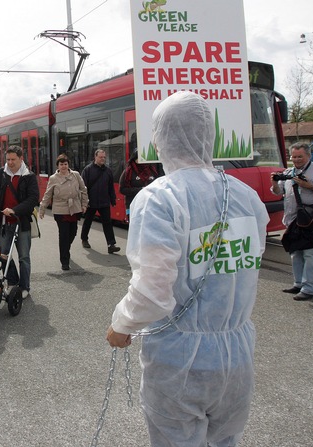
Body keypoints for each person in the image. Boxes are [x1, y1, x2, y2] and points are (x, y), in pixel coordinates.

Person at [106, 91, 269, 447]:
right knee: (225, 440)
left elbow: (153, 287)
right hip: (237, 352)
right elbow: (249, 263)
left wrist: (122, 324)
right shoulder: (246, 196)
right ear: (209, 134)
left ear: (161, 138)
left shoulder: (160, 198)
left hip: (180, 359)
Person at [271, 142, 313, 301]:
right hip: (291, 218)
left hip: (309, 218)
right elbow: (279, 192)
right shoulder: (289, 172)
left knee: (310, 254)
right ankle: (298, 283)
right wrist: (275, 182)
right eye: (294, 156)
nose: (296, 159)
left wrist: (309, 186)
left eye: (300, 157)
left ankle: (309, 288)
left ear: (308, 156)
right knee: (295, 251)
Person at [0, 145, 39, 298]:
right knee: (2, 254)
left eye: (13, 160)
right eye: (7, 159)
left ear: (21, 159)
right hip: (4, 223)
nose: (10, 162)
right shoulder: (2, 174)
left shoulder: (29, 176)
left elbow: (33, 199)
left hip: (21, 223)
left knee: (24, 257)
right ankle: (13, 281)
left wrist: (15, 210)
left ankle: (24, 287)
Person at [38, 154, 88, 271]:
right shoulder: (53, 178)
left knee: (73, 232)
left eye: (65, 164)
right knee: (64, 235)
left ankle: (66, 249)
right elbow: (48, 194)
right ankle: (64, 261)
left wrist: (84, 204)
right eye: (61, 164)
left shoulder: (75, 175)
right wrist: (42, 208)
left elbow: (83, 190)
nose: (64, 166)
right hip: (60, 210)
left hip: (74, 208)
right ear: (58, 166)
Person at [80, 149, 120, 253]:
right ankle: (84, 239)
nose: (103, 159)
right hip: (91, 202)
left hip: (104, 201)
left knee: (107, 223)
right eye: (101, 157)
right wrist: (84, 202)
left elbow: (110, 187)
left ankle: (111, 244)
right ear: (95, 157)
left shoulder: (108, 171)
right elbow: (83, 187)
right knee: (88, 221)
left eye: (104, 157)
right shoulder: (87, 170)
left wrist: (113, 199)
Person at [118, 149, 162, 217]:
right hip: (133, 206)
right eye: (140, 158)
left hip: (150, 205)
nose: (143, 160)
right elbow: (122, 189)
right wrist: (141, 189)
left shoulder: (152, 170)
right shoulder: (128, 172)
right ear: (135, 159)